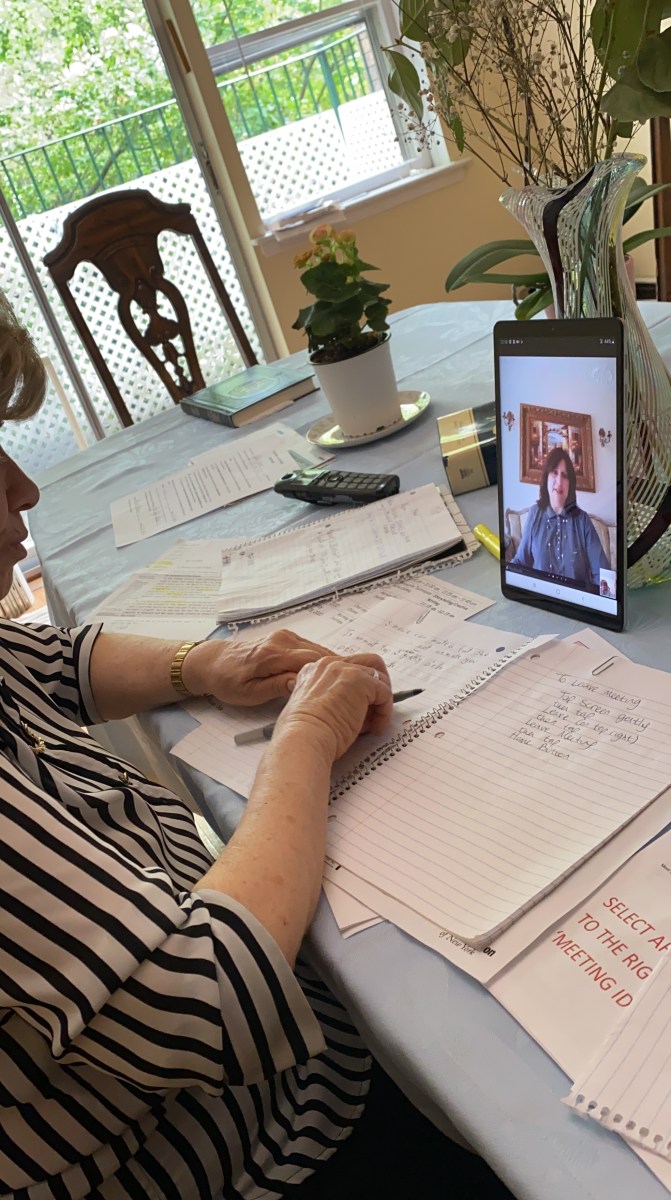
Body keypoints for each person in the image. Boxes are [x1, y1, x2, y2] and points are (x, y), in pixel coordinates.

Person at [0, 295, 514, 1200]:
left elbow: (41, 660)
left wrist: (203, 662)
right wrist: (306, 738)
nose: (24, 491)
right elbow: (206, 1002)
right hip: (237, 1154)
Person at [510, 446, 610, 587]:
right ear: (546, 478)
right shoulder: (534, 514)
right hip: (541, 596)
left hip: (576, 599)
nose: (559, 481)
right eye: (554, 472)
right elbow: (520, 562)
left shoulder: (583, 521)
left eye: (565, 475)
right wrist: (507, 575)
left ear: (570, 484)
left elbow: (603, 575)